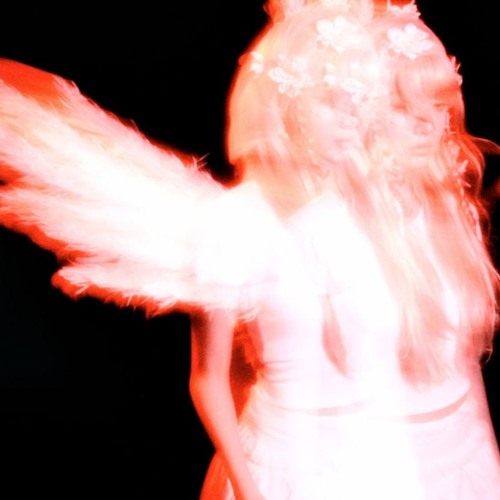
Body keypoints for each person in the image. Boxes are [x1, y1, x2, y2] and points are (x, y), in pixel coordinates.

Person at [0, 1, 499, 498]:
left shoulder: (367, 211)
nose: (353, 122)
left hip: (380, 456)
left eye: (358, 104)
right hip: (289, 464)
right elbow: (213, 376)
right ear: (292, 110)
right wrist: (249, 484)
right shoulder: (238, 222)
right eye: (335, 103)